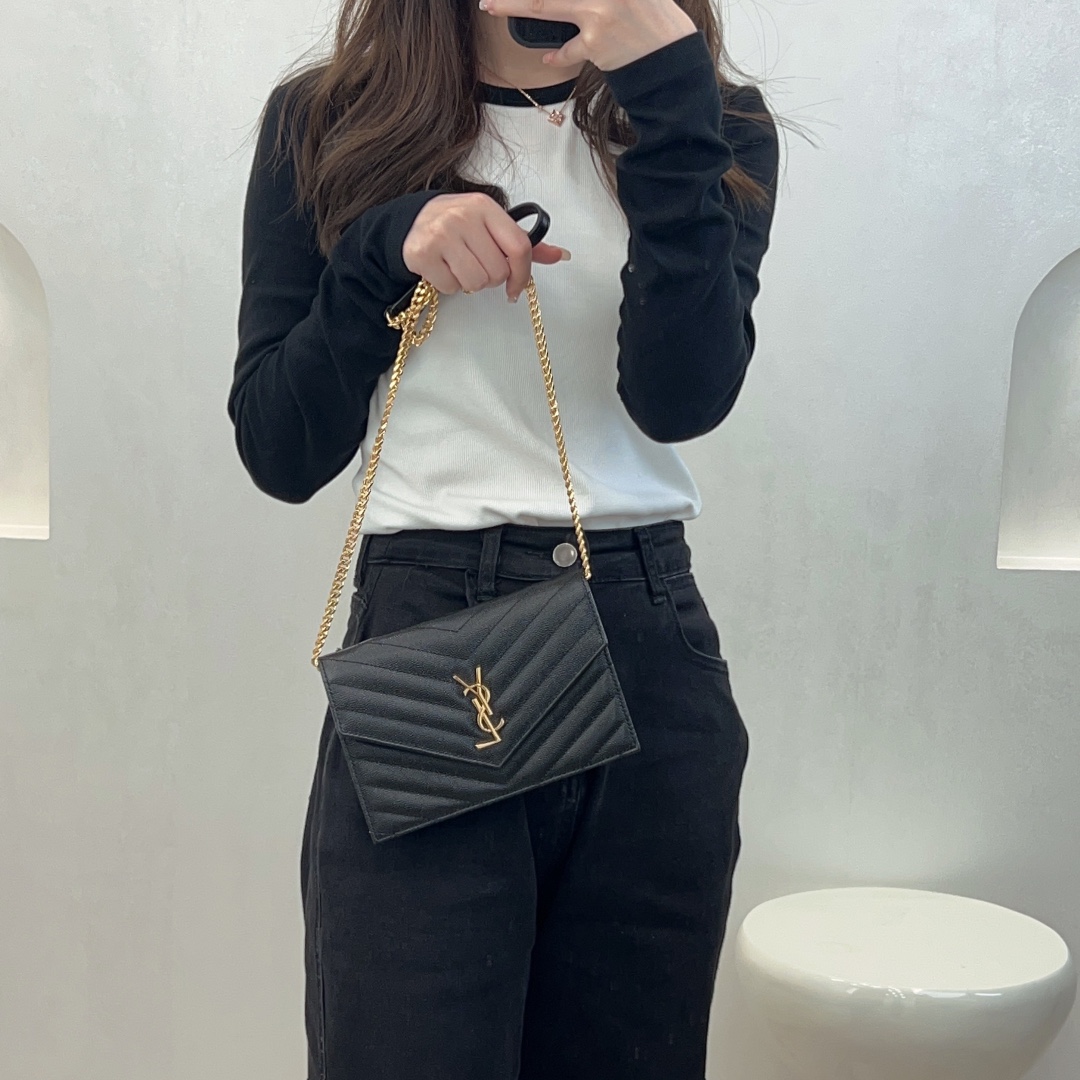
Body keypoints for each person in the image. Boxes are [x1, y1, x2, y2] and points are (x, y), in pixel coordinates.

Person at [228, 0, 780, 1076]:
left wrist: (670, 98)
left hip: (644, 636)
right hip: (441, 639)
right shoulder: (330, 118)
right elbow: (280, 448)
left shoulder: (710, 118)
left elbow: (679, 396)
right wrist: (387, 248)